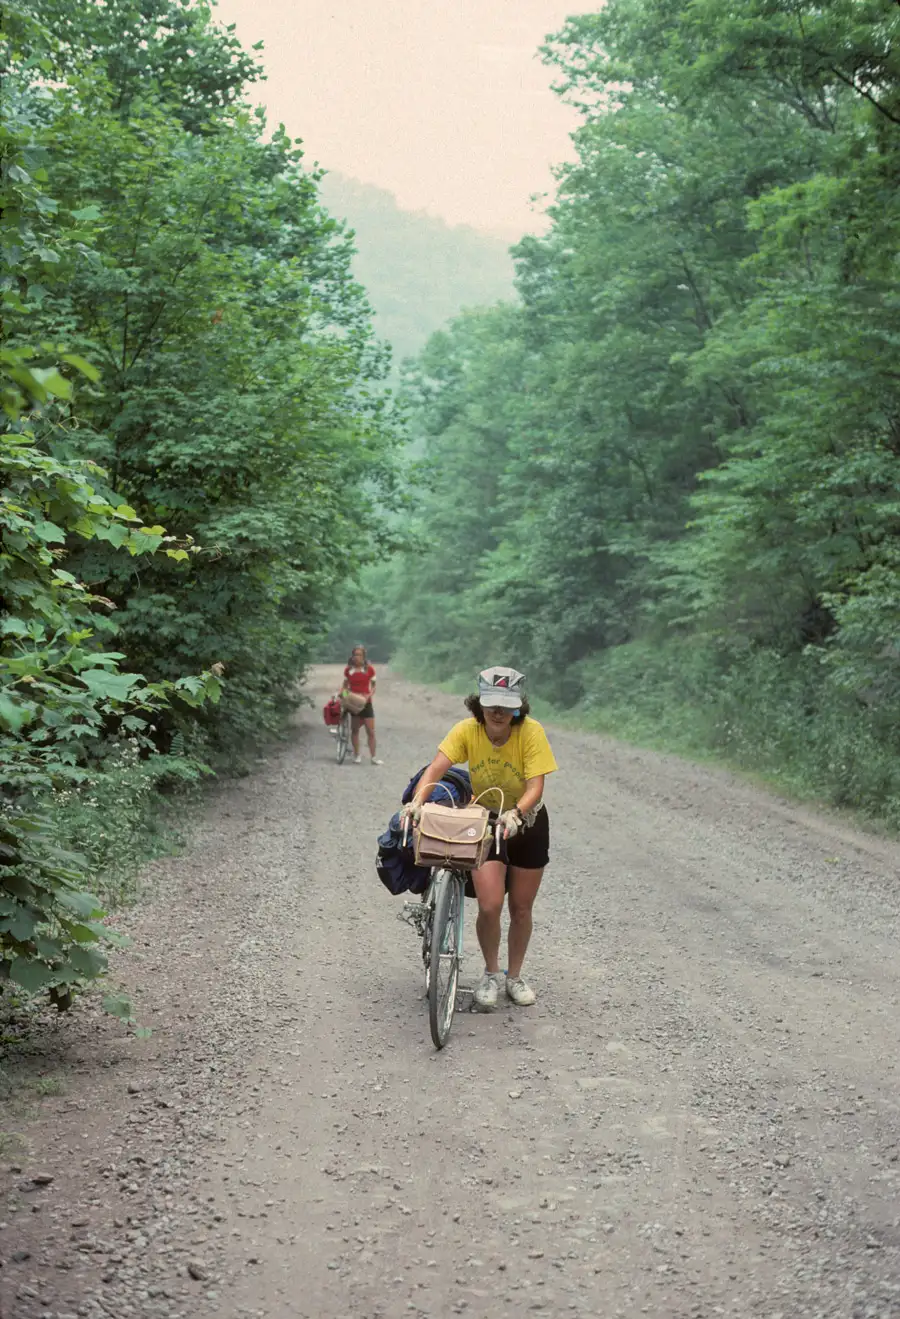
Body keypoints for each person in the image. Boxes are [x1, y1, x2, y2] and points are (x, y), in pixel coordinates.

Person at [400, 665, 557, 1008]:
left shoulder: (531, 732)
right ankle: (491, 973)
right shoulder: (467, 731)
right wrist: (416, 803)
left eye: (506, 706)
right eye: (491, 705)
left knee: (521, 907)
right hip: (486, 821)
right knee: (489, 904)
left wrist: (517, 814)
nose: (498, 712)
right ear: (479, 705)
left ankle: (514, 976)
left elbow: (536, 786)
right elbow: (436, 768)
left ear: (517, 708)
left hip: (527, 822)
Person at [343, 644, 383, 766]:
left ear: (364, 656)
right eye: (355, 655)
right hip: (354, 702)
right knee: (355, 730)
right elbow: (345, 687)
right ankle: (357, 755)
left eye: (360, 655)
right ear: (352, 656)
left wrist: (369, 695)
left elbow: (374, 686)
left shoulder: (369, 669)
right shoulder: (349, 670)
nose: (357, 657)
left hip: (366, 703)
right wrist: (345, 696)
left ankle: (373, 757)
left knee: (370, 731)